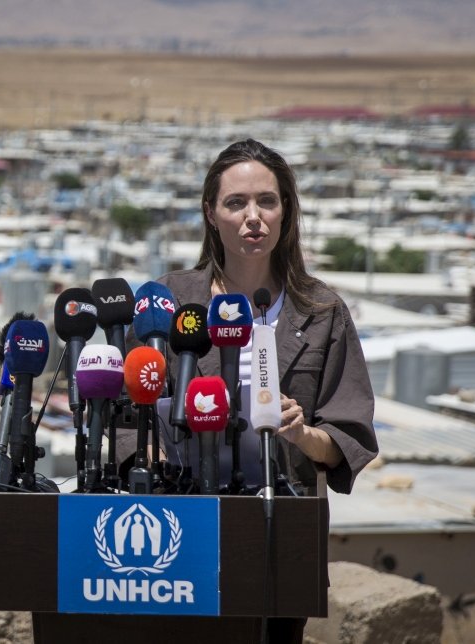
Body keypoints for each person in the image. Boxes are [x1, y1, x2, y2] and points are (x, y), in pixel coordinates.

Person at [134, 139, 378, 642]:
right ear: (210, 212)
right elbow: (125, 411)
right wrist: (148, 451)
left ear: (286, 211)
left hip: (279, 537)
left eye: (267, 201)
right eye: (236, 203)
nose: (253, 217)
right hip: (180, 529)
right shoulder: (170, 299)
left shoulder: (321, 312)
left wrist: (303, 434)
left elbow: (349, 433)